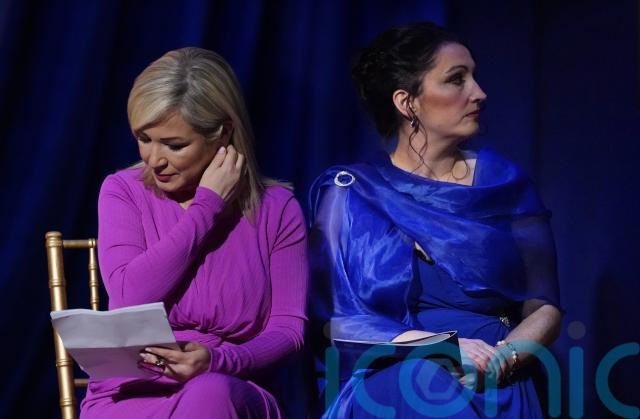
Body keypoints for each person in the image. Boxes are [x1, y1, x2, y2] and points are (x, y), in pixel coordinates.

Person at [309, 22, 562, 418]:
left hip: (496, 371)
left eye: (474, 76)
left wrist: (503, 360)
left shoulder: (506, 185)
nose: (479, 92)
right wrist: (440, 347)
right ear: (407, 102)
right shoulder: (351, 192)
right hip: (396, 369)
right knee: (421, 383)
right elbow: (336, 321)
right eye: (456, 79)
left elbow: (544, 305)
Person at [81, 47, 308, 418]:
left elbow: (289, 330)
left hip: (229, 385)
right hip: (131, 392)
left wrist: (219, 360)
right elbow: (127, 296)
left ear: (223, 133)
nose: (154, 159)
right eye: (144, 138)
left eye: (175, 145)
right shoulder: (123, 191)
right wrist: (207, 208)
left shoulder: (277, 209)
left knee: (209, 394)